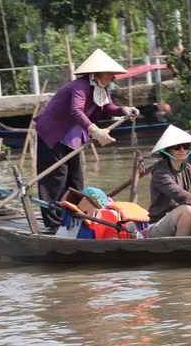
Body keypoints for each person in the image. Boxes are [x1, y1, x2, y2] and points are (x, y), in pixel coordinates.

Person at [32, 48, 139, 229]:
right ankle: (55, 222)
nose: (112, 78)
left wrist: (123, 110)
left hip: (72, 135)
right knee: (56, 177)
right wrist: (94, 129)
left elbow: (108, 108)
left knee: (75, 178)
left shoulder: (101, 88)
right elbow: (76, 111)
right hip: (53, 131)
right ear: (96, 73)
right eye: (109, 74)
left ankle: (75, 216)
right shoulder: (80, 86)